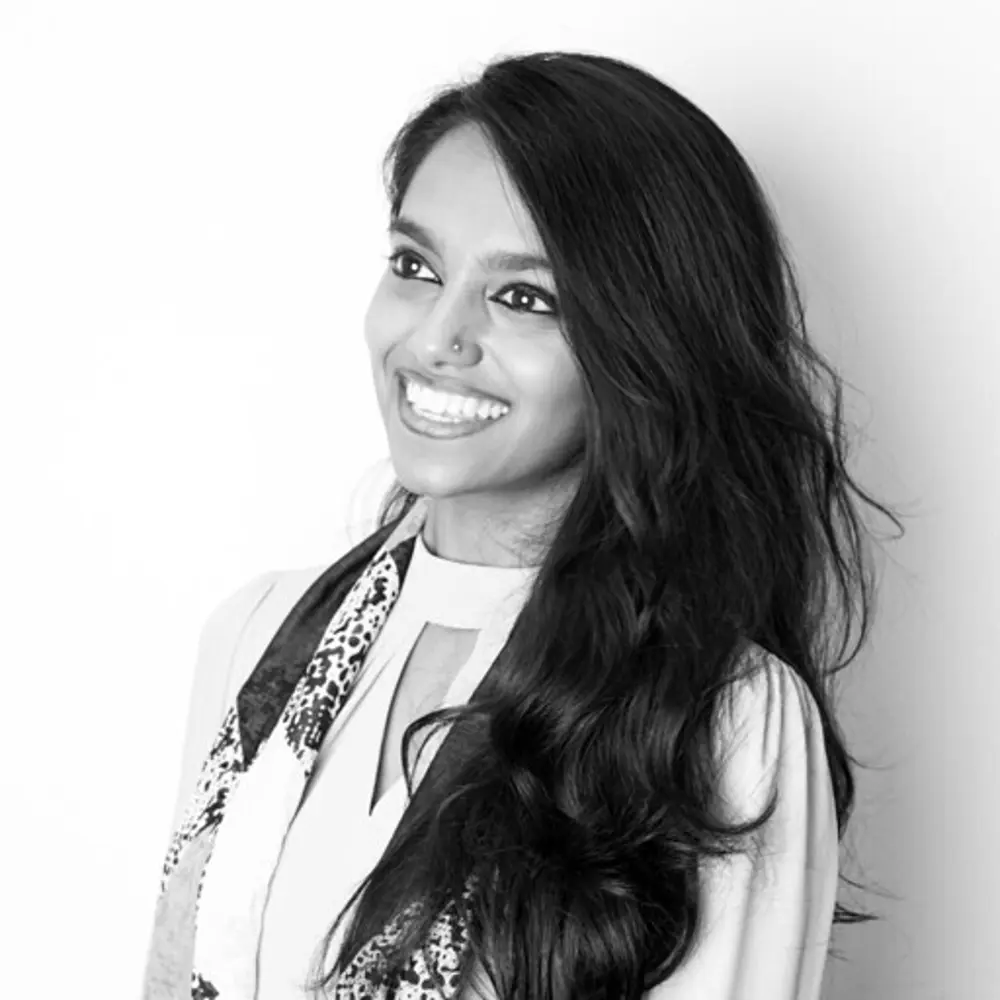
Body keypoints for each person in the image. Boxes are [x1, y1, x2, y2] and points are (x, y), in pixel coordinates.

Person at [143, 49, 902, 1000]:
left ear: (645, 347)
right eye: (416, 267)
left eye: (524, 297)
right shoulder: (256, 640)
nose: (435, 338)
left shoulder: (719, 721)